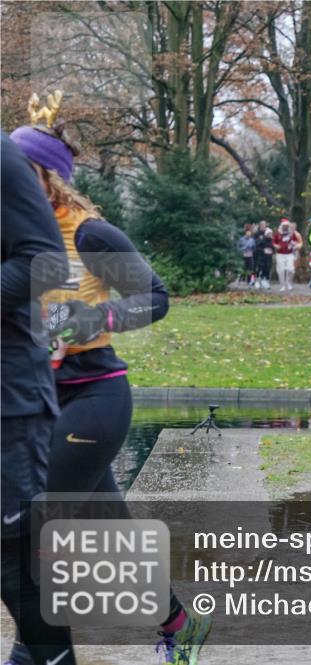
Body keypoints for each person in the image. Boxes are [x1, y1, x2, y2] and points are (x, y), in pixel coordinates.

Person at [10, 114, 212, 664]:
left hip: (93, 397)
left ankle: (35, 649)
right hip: (35, 402)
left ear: (46, 176)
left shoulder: (89, 232)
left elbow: (158, 296)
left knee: (34, 517)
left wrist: (96, 316)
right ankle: (177, 621)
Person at [1, 130, 76, 665]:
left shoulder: (93, 234)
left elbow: (46, 262)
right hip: (47, 381)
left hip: (35, 398)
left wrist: (97, 320)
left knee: (19, 560)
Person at [273, 218, 300, 292]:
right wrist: (276, 246)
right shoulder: (277, 233)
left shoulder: (292, 233)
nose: (286, 227)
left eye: (287, 225)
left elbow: (297, 241)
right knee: (281, 270)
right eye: (284, 225)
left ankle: (289, 282)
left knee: (291, 269)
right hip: (280, 254)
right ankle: (282, 285)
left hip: (289, 253)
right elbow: (273, 242)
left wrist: (294, 244)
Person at [254, 222, 274, 289]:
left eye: (264, 225)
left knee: (267, 268)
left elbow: (274, 247)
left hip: (268, 256)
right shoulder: (257, 234)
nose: (263, 226)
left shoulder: (271, 239)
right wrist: (263, 250)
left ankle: (265, 281)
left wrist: (272, 250)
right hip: (260, 255)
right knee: (260, 267)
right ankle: (257, 280)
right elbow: (257, 245)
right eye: (262, 225)